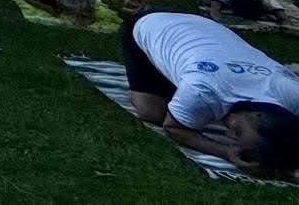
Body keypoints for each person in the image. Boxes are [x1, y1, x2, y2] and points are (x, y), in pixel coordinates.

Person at [122, 10, 299, 177]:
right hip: (150, 23)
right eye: (238, 132)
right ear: (258, 115)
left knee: (186, 101)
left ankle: (176, 82)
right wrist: (224, 152)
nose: (228, 135)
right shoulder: (204, 91)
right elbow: (173, 127)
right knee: (152, 113)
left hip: (202, 27)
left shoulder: (292, 93)